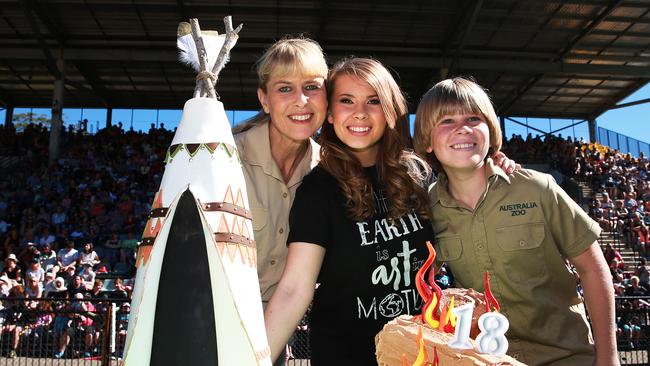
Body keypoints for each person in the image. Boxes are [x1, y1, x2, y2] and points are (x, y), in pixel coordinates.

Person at [412, 77, 618, 366]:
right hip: (487, 361)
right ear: (427, 141)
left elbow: (593, 269)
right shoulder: (426, 209)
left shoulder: (538, 188)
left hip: (566, 358)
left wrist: (609, 358)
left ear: (491, 130)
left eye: (474, 118)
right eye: (446, 120)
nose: (463, 128)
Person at [264, 58, 432, 364]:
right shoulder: (318, 189)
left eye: (373, 101)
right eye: (346, 100)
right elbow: (294, 289)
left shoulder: (418, 176)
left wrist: (494, 161)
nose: (360, 113)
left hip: (419, 353)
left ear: (390, 109)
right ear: (329, 113)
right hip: (346, 354)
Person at [233, 37, 328, 306]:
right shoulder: (223, 158)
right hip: (209, 320)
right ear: (264, 100)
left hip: (276, 328)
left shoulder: (332, 171)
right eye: (285, 88)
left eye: (312, 87)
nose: (301, 100)